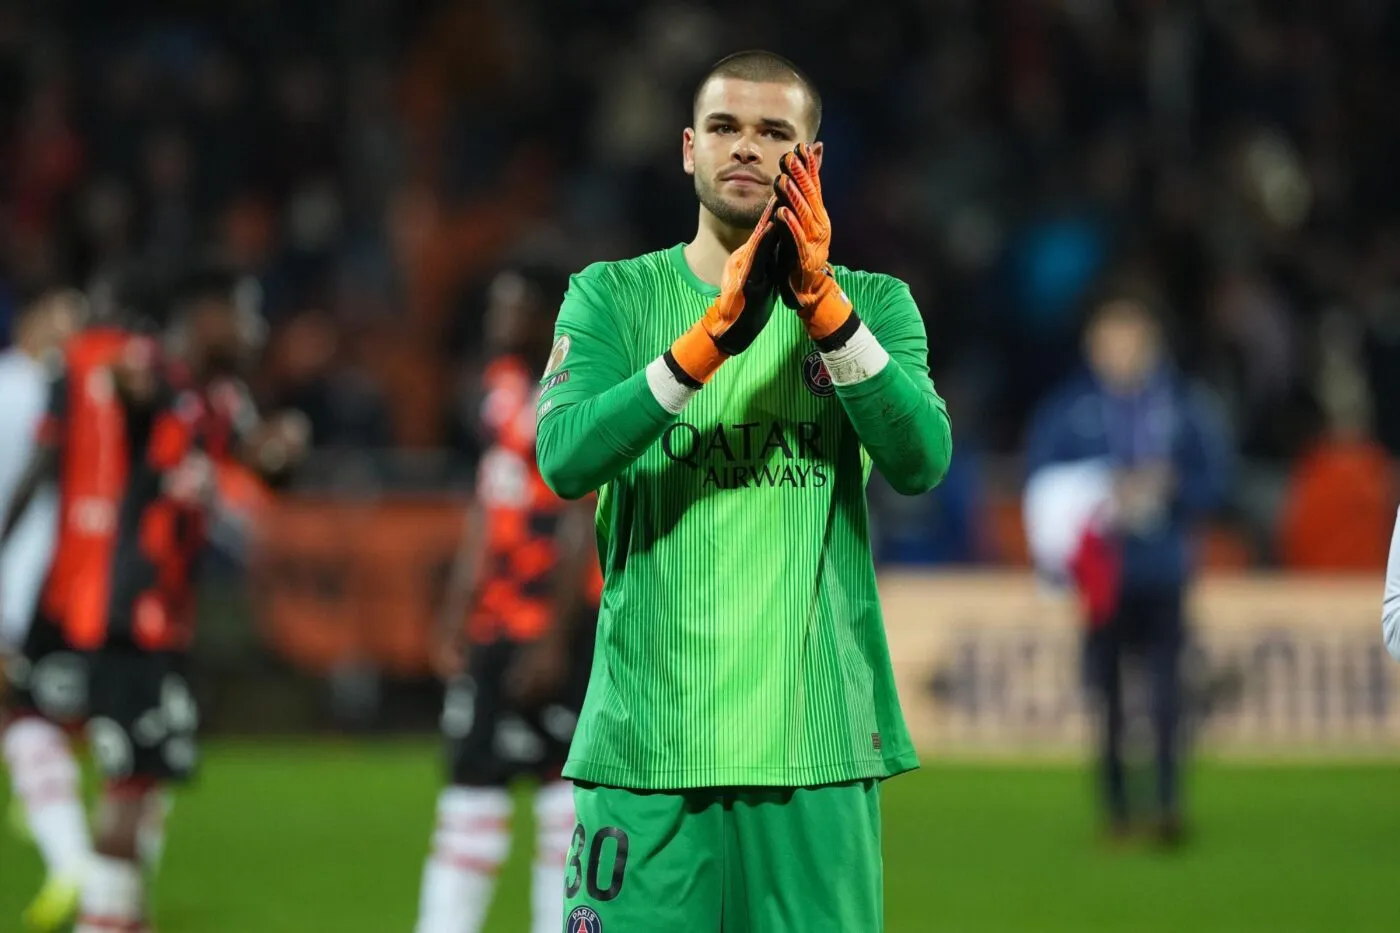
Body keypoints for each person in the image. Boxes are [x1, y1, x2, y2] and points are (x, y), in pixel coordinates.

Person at [535, 51, 952, 930]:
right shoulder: (611, 298)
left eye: (773, 133)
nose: (746, 148)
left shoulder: (875, 306)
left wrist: (824, 307)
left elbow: (922, 459)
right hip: (646, 747)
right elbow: (564, 458)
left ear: (811, 161)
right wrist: (708, 342)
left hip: (815, 748)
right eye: (724, 127)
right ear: (689, 148)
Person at [415, 264, 602, 933]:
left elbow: (582, 516)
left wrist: (553, 639)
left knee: (562, 802)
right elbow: (486, 505)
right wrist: (454, 612)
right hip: (494, 622)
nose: (499, 319)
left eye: (513, 306)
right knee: (468, 792)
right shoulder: (498, 388)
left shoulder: (579, 388)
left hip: (553, 627)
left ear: (547, 313)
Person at [1024, 288, 1233, 846]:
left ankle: (1167, 806)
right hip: (1103, 577)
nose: (1117, 351)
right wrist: (1100, 489)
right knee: (1108, 697)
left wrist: (1172, 489)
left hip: (1163, 570)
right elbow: (1041, 479)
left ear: (1149, 343)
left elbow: (1217, 480)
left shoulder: (1183, 405)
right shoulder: (1070, 410)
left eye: (1127, 340)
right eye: (1107, 340)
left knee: (1167, 697)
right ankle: (1116, 810)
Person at [0, 286, 85, 932]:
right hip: (42, 570)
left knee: (28, 710)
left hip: (34, 573)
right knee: (35, 709)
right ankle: (49, 807)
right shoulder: (45, 388)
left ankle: (55, 821)